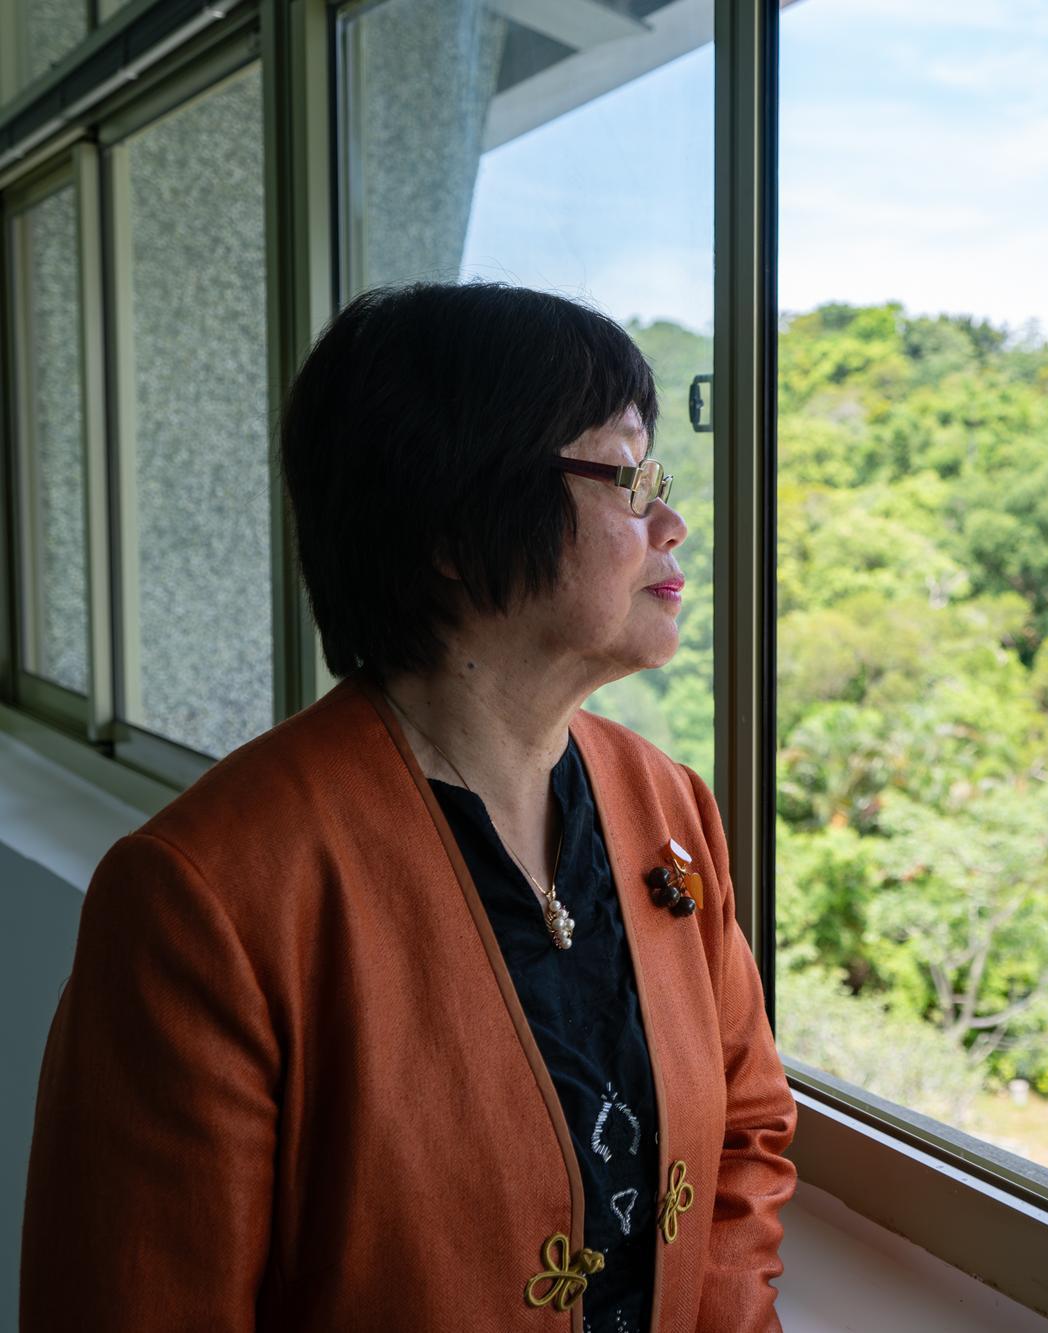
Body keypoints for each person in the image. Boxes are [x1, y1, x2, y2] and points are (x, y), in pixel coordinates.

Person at [20, 282, 796, 1332]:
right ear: (453, 520)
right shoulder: (207, 897)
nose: (671, 520)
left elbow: (746, 1128)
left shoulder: (668, 806)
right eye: (624, 474)